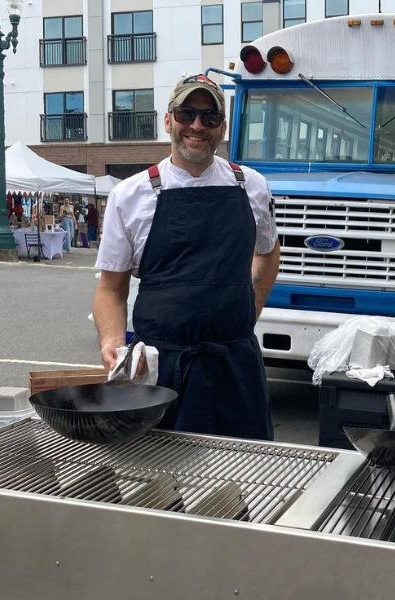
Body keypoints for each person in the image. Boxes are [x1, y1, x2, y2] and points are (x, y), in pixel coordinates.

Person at [92, 74, 281, 441]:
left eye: (209, 117)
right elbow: (111, 288)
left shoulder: (251, 185)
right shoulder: (131, 194)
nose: (197, 126)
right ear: (168, 120)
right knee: (162, 484)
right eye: (186, 113)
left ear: (222, 128)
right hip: (163, 370)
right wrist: (112, 344)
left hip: (236, 366)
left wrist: (249, 311)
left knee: (245, 480)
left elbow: (268, 253)